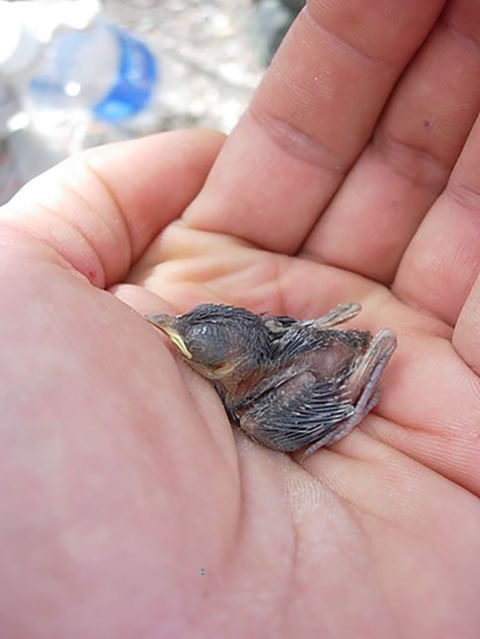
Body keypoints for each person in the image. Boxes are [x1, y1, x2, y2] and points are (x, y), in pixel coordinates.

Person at [1, 0, 479, 636]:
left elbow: (293, 365)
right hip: (309, 361)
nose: (171, 335)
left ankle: (362, 367)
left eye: (190, 345)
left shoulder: (256, 407)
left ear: (226, 360)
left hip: (317, 369)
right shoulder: (254, 370)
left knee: (270, 415)